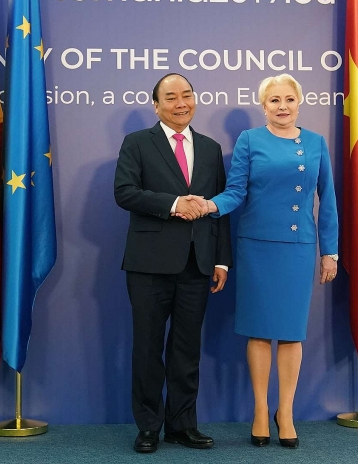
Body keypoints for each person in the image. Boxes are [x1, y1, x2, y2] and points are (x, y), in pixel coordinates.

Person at [181, 74, 338, 448]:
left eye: (289, 99)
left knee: (291, 332)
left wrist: (329, 251)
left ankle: (286, 412)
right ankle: (260, 410)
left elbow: (328, 199)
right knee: (259, 331)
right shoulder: (250, 140)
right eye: (274, 100)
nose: (282, 106)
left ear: (299, 102)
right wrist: (209, 206)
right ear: (263, 106)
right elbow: (235, 192)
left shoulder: (315, 143)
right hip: (257, 246)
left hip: (298, 246)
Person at [114, 73, 232, 453]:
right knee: (148, 348)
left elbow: (220, 207)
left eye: (187, 95)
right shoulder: (137, 143)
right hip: (149, 265)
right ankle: (149, 427)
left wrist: (222, 261)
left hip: (198, 264)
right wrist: (173, 204)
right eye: (171, 97)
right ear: (156, 105)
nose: (181, 103)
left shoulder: (211, 148)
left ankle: (182, 425)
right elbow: (124, 192)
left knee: (186, 349)